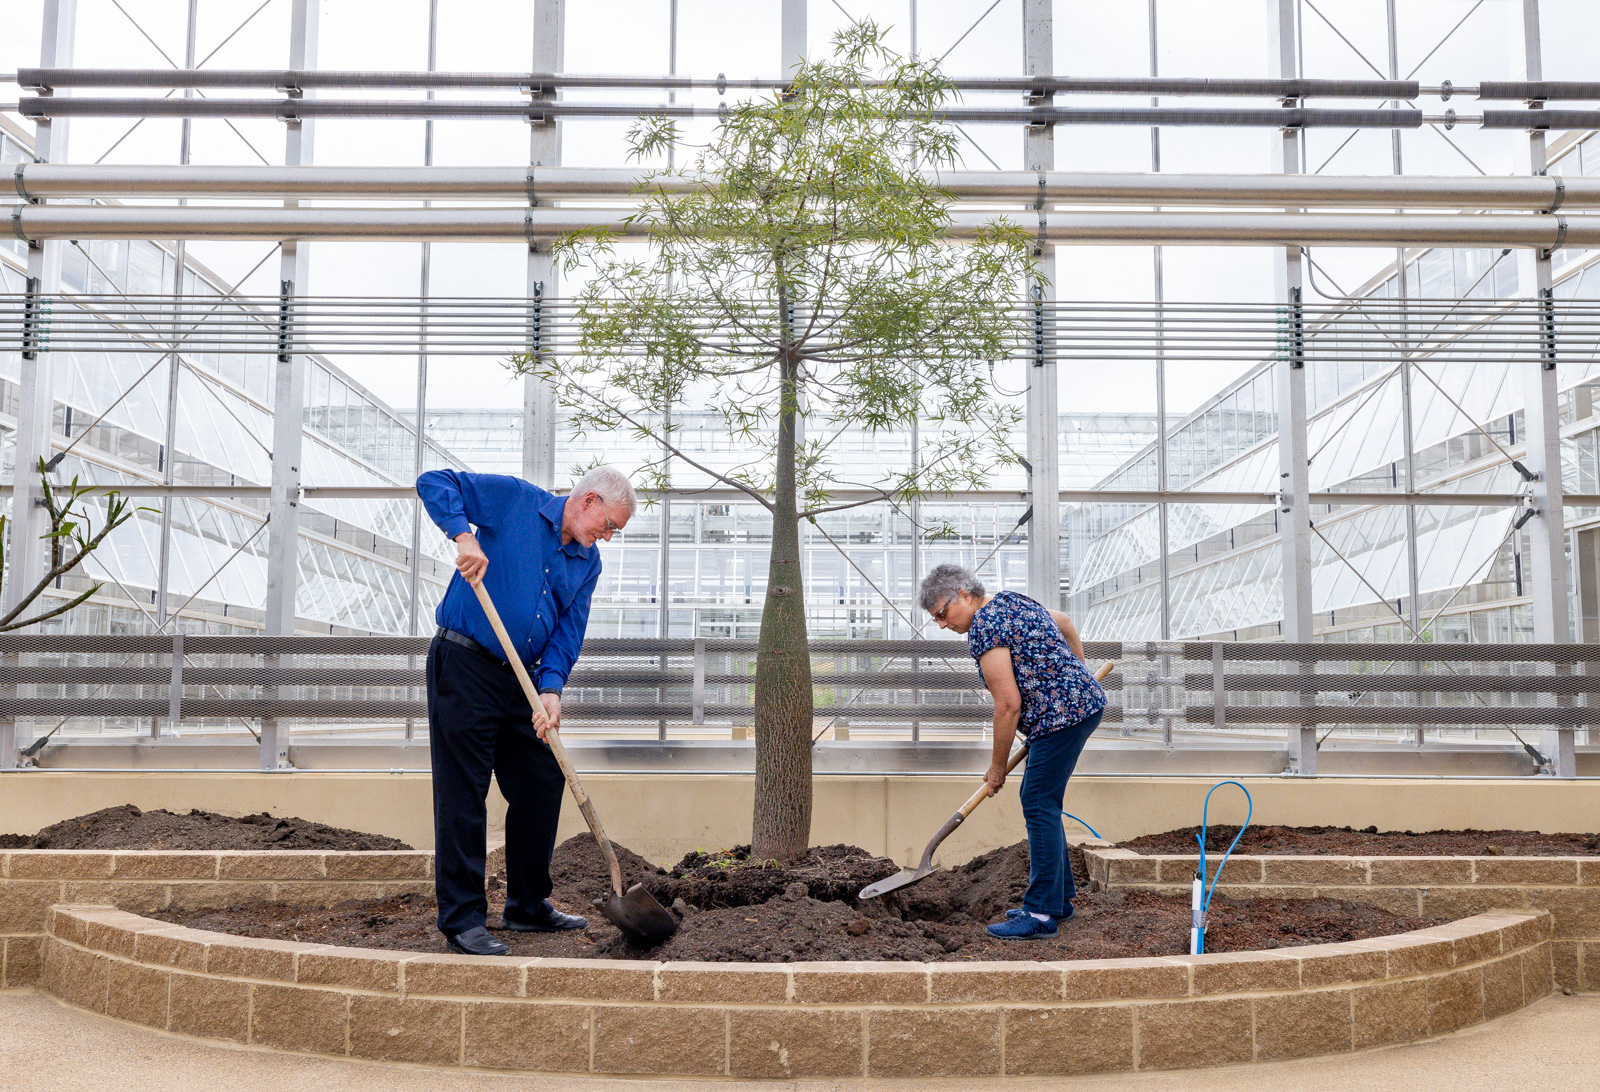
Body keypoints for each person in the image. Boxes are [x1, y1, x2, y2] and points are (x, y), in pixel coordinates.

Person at [416, 464, 635, 956]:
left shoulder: (587, 563)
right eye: (609, 526)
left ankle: (527, 904)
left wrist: (552, 688)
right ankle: (462, 919)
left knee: (542, 778)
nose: (607, 537)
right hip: (466, 662)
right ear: (589, 501)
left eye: (613, 533)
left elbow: (568, 630)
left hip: (525, 679)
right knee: (464, 791)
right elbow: (434, 481)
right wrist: (463, 535)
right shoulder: (514, 500)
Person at [920, 562, 1105, 939]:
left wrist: (997, 767)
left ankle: (1039, 915)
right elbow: (1066, 622)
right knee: (1042, 801)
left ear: (965, 595)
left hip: (1062, 720)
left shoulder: (985, 627)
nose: (941, 624)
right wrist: (1077, 676)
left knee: (1038, 802)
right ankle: (1061, 900)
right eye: (934, 618)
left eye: (943, 612)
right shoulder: (1012, 602)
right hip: (1077, 709)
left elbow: (1007, 704)